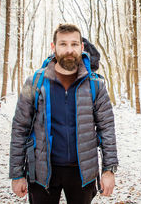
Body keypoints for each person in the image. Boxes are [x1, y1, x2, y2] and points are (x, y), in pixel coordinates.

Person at [9, 23, 118, 204]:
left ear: (82, 47)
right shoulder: (34, 83)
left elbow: (107, 129)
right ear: (53, 47)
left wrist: (109, 170)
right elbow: (20, 128)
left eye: (74, 44)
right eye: (63, 44)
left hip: (82, 172)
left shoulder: (95, 85)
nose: (69, 50)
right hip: (42, 172)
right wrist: (17, 173)